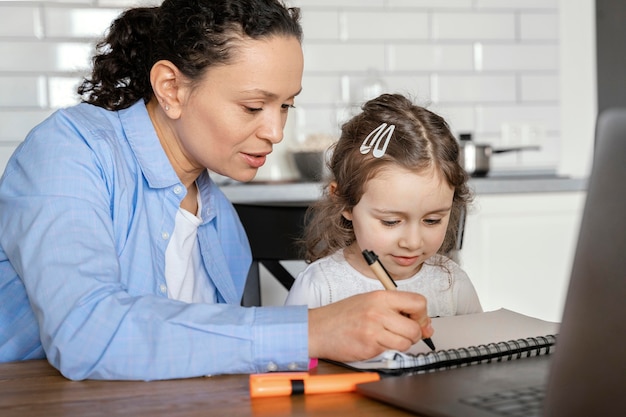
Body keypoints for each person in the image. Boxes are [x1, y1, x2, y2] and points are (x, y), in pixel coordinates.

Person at [0, 0, 433, 381]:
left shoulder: (222, 224)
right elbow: (87, 334)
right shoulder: (70, 151)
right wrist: (312, 330)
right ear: (171, 88)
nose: (276, 131)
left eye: (285, 106)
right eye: (252, 106)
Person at [285, 93, 483, 317]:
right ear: (345, 203)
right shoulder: (319, 288)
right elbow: (290, 350)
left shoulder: (453, 284)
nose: (412, 242)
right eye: (391, 222)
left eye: (432, 220)